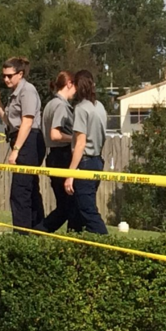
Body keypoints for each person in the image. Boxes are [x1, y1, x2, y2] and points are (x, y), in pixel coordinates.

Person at [0, 57, 46, 233]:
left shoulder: (27, 91)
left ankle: (22, 236)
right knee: (30, 189)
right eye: (4, 76)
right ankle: (37, 231)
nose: (6, 79)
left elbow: (27, 123)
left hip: (29, 142)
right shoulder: (14, 93)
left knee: (20, 192)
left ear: (20, 74)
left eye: (10, 76)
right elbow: (10, 123)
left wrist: (16, 150)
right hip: (20, 139)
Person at [34, 71, 81, 233]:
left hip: (53, 157)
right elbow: (55, 134)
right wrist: (75, 139)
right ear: (69, 83)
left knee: (66, 206)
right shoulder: (61, 106)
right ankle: (39, 232)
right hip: (62, 157)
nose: (76, 91)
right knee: (69, 206)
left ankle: (40, 233)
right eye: (75, 86)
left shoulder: (50, 104)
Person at [64, 70, 109, 234]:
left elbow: (80, 144)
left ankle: (107, 243)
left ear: (76, 86)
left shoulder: (81, 109)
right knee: (76, 210)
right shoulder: (100, 107)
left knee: (88, 210)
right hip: (97, 161)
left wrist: (70, 174)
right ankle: (73, 244)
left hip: (85, 163)